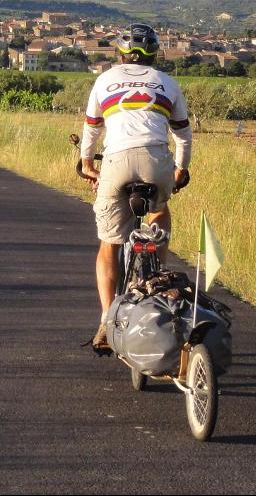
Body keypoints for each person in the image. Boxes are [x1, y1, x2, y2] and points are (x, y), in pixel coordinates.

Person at [79, 23, 192, 352]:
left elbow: (91, 129)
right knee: (159, 209)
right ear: (154, 53)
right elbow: (183, 133)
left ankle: (105, 320)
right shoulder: (167, 83)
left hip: (115, 161)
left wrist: (87, 164)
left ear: (120, 52)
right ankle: (157, 267)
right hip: (155, 160)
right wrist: (181, 168)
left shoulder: (104, 80)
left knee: (109, 245)